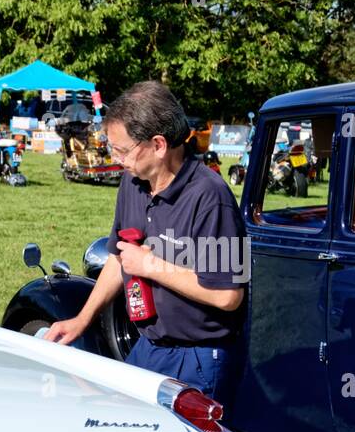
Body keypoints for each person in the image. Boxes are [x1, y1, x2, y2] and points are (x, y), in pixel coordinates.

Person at [45, 80, 247, 406]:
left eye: (122, 150)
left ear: (158, 144)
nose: (116, 158)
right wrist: (81, 320)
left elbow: (228, 295)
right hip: (148, 346)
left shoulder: (212, 197)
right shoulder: (133, 182)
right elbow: (119, 258)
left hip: (198, 359)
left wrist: (151, 265)